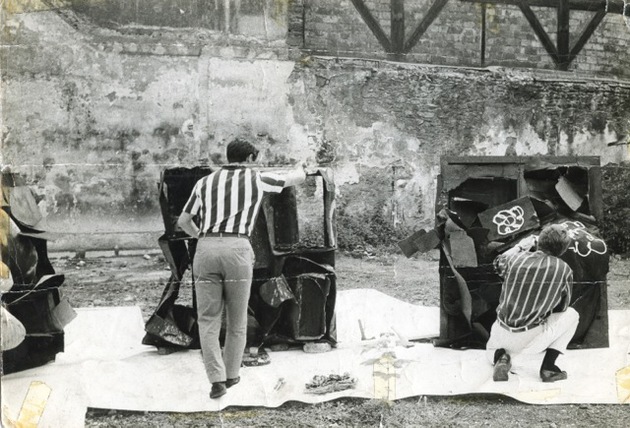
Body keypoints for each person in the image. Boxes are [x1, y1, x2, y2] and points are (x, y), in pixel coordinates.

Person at [177, 138, 306, 399]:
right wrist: (302, 167)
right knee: (237, 318)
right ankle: (232, 374)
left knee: (208, 319)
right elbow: (296, 178)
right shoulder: (257, 178)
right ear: (249, 159)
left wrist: (203, 236)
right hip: (238, 249)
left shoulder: (204, 182)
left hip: (206, 249)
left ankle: (216, 380)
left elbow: (184, 220)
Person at [486, 224, 579, 383]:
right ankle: (549, 367)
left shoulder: (515, 258)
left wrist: (520, 246)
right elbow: (562, 307)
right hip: (531, 340)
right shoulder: (563, 269)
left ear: (539, 242)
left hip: (500, 331)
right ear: (562, 250)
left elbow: (497, 262)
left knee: (491, 350)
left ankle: (500, 357)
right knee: (572, 314)